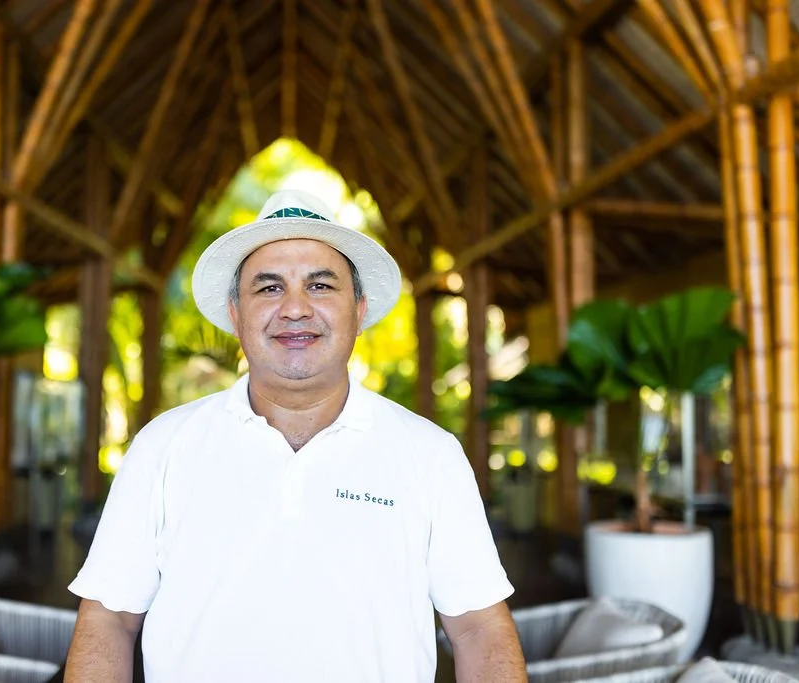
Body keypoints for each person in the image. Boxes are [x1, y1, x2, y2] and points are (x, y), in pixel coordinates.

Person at [63, 190, 526, 682]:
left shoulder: (431, 454)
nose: (295, 308)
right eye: (269, 288)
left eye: (320, 285)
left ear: (359, 310)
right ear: (235, 314)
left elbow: (479, 629)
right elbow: (109, 619)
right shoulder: (163, 447)